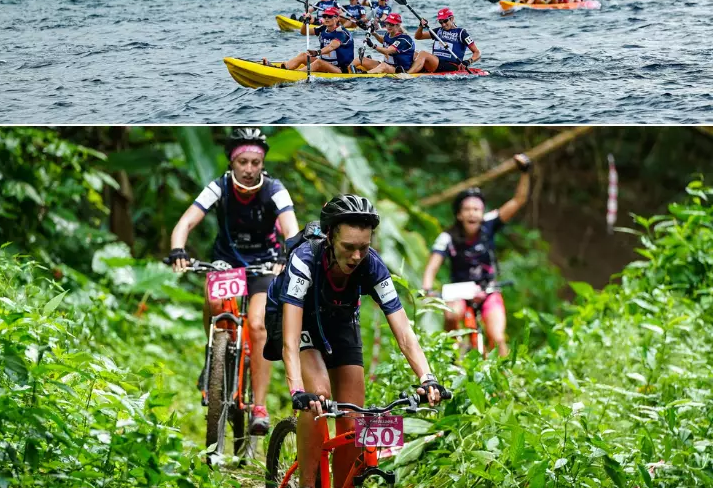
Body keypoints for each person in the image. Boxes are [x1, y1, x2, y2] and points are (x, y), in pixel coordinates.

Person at [267, 194, 448, 431]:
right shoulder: (305, 260)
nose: (356, 256)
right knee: (317, 397)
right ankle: (309, 470)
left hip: (339, 320)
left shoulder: (372, 265)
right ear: (330, 237)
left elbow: (404, 332)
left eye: (363, 247)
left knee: (353, 417)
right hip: (298, 322)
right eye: (348, 247)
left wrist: (427, 377)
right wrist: (297, 389)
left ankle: (350, 470)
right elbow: (290, 340)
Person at [166, 127, 299, 434]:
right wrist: (177, 249)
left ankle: (260, 407)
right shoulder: (219, 186)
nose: (250, 169)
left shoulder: (274, 189)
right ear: (232, 162)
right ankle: (212, 356)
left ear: (263, 163)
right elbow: (186, 221)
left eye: (256, 162)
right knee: (214, 302)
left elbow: (291, 228)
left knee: (257, 325)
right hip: (226, 261)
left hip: (266, 264)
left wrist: (286, 257)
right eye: (243, 163)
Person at [421, 154, 533, 357]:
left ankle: (505, 379)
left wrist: (525, 172)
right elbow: (432, 266)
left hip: (488, 289)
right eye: (467, 209)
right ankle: (453, 357)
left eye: (477, 209)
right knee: (452, 314)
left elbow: (518, 200)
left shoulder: (489, 225)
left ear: (482, 213)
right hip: (459, 291)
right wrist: (427, 289)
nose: (472, 213)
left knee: (497, 337)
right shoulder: (447, 237)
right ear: (459, 214)